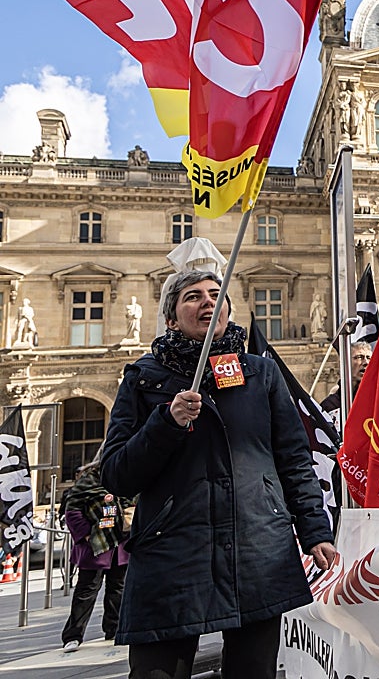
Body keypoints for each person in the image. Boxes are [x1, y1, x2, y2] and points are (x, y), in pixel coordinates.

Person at [101, 270, 336, 678]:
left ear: (229, 308)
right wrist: (166, 423)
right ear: (171, 317)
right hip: (172, 555)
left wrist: (315, 530)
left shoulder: (260, 374)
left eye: (217, 294)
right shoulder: (142, 378)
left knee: (253, 670)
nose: (208, 301)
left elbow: (294, 460)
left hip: (256, 550)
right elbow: (117, 474)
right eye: (193, 296)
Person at [60, 460, 130, 652]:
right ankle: (73, 635)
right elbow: (71, 511)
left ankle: (114, 629)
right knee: (87, 591)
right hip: (95, 547)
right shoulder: (87, 482)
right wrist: (86, 534)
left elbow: (133, 501)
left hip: (120, 544)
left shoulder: (125, 479)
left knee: (118, 589)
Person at [320, 340, 372, 426]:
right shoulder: (329, 406)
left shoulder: (377, 402)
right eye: (359, 357)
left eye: (369, 358)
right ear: (344, 362)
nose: (366, 362)